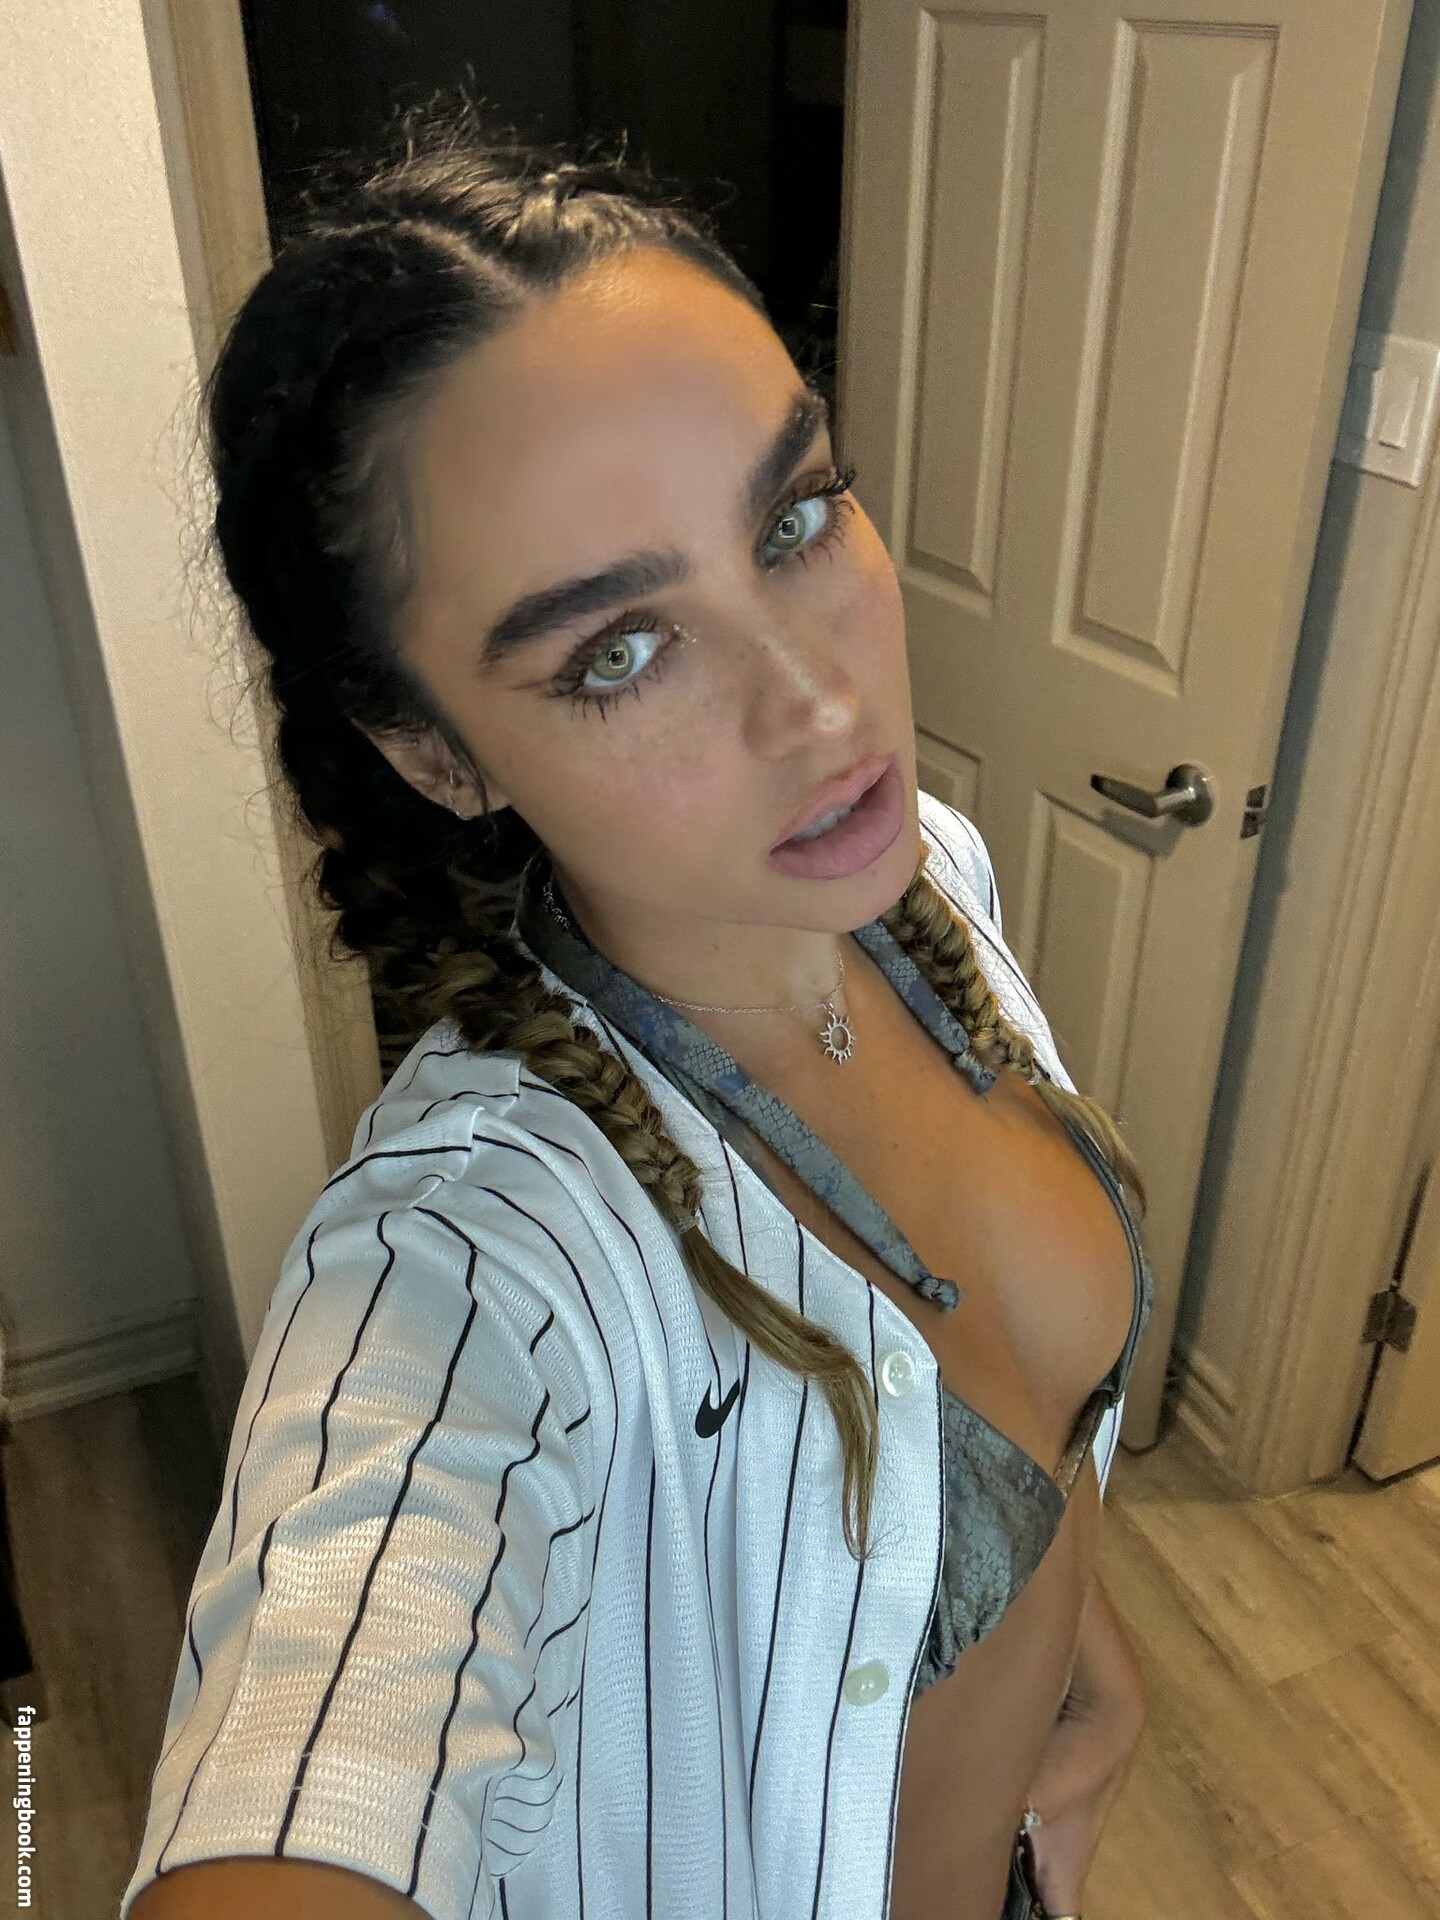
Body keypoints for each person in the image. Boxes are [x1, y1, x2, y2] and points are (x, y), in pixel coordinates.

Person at [123, 102, 1153, 1920]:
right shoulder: (474, 1264)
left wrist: (1084, 1665)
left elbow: (1014, 1421)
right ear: (435, 754)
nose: (818, 702)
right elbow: (332, 1709)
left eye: (798, 517)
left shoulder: (931, 892)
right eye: (619, 649)